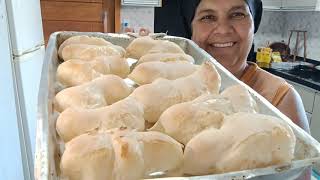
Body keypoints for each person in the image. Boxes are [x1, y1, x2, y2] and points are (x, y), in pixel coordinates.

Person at [182, 0, 310, 179]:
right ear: (191, 28)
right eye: (208, 17)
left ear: (254, 24)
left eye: (237, 14)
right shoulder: (174, 85)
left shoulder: (280, 98)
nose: (223, 30)